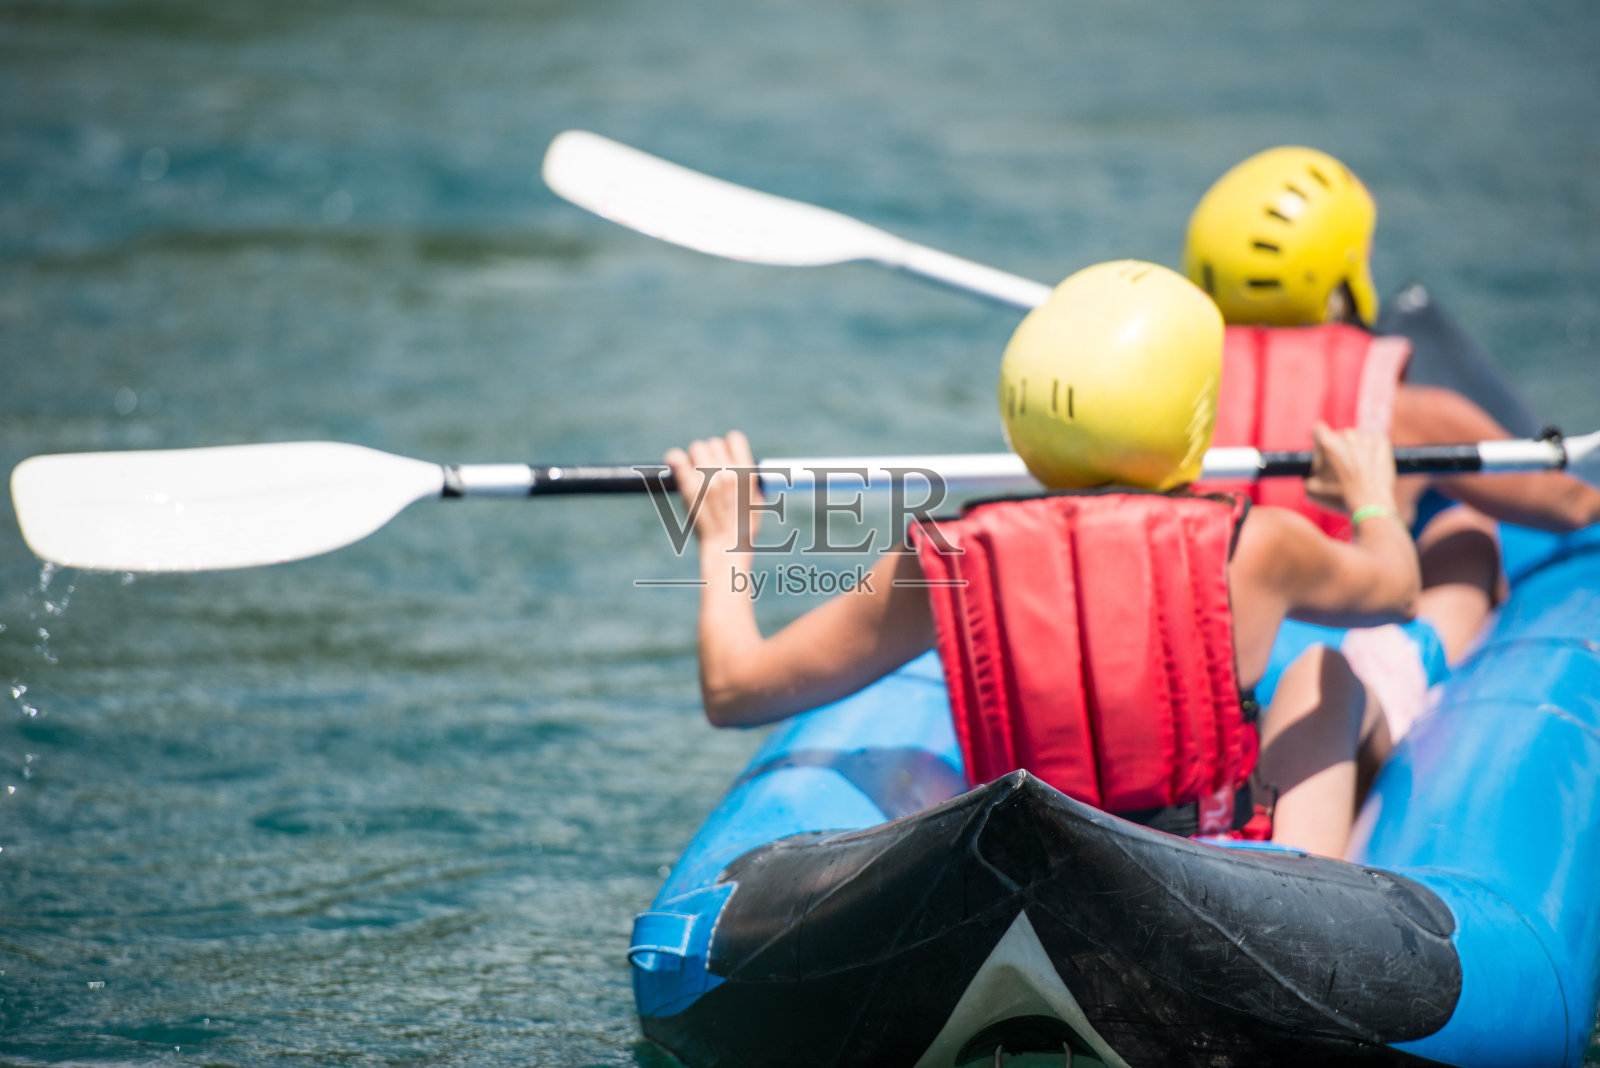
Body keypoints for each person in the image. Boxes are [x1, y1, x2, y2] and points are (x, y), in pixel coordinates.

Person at [664, 261, 1421, 859]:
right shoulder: (1258, 545)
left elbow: (736, 690)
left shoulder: (948, 558)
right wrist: (1369, 497)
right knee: (1328, 672)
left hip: (1028, 863)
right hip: (1223, 876)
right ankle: (1354, 861)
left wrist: (725, 540)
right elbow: (1396, 590)